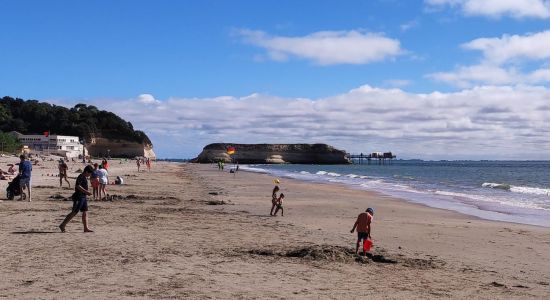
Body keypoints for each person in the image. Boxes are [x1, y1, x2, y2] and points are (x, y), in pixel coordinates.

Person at [59, 165, 94, 233]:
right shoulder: (80, 176)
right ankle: (62, 225)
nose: (90, 175)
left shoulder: (84, 177)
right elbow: (77, 186)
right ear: (86, 171)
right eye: (89, 173)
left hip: (83, 197)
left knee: (85, 212)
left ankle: (86, 228)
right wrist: (86, 192)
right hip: (78, 197)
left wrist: (86, 193)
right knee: (74, 212)